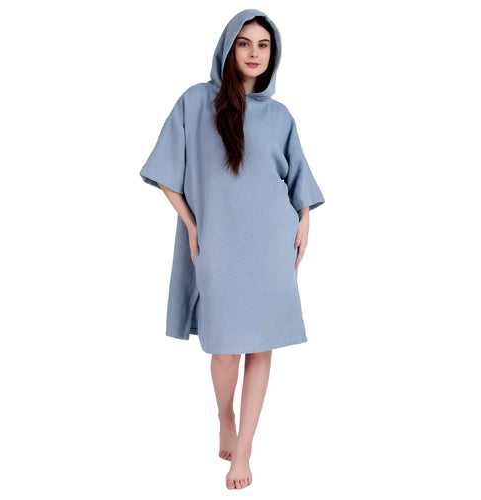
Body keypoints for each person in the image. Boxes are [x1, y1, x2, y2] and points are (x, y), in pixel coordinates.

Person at [139, 9, 325, 490]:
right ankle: (225, 415)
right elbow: (164, 170)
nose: (254, 53)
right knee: (224, 351)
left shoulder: (280, 116)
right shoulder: (195, 102)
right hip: (219, 245)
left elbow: (299, 179)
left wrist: (304, 221)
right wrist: (191, 224)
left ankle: (244, 450)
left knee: (261, 347)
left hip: (272, 246)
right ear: (228, 48)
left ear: (272, 53)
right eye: (245, 43)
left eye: (263, 45)